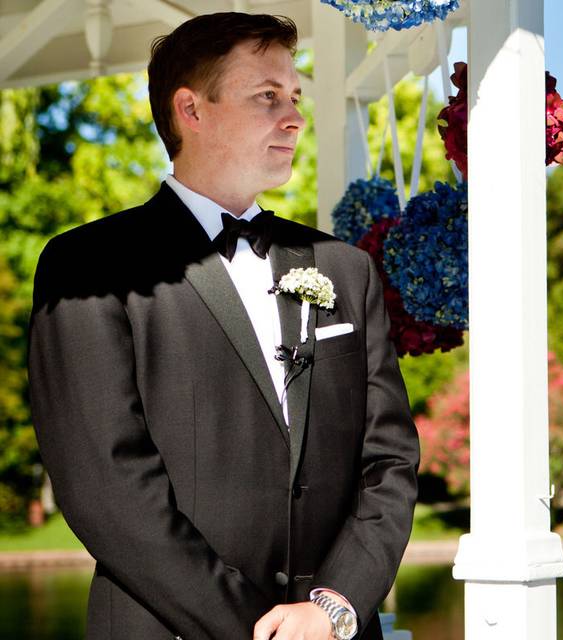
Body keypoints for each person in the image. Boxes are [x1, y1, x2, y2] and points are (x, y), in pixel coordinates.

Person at [28, 12, 418, 640]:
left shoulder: (346, 270)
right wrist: (254, 629)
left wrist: (334, 609)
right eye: (268, 97)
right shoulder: (88, 266)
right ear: (191, 109)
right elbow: (106, 482)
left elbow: (390, 463)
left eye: (294, 97)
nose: (294, 116)